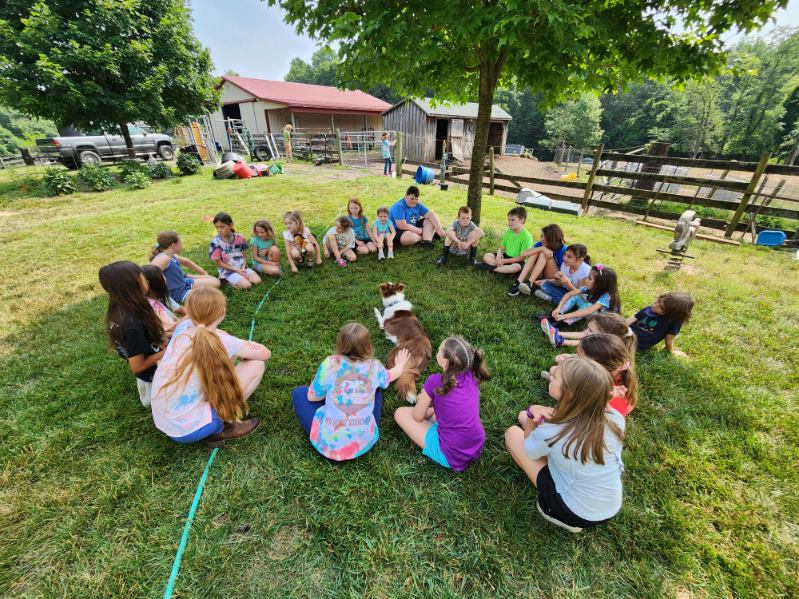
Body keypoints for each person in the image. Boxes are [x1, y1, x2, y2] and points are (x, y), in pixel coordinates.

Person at [504, 357, 625, 532]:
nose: (552, 373)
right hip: (609, 507)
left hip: (573, 510)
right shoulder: (616, 419)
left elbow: (529, 449)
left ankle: (553, 513)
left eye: (556, 376)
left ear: (569, 394)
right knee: (523, 418)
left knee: (513, 435)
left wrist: (531, 415)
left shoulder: (554, 432)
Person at [150, 287, 270, 447]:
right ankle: (225, 425)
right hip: (192, 429)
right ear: (222, 312)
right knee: (256, 364)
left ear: (190, 312)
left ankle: (215, 416)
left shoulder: (181, 328)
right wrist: (247, 345)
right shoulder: (222, 341)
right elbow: (265, 353)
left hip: (168, 422)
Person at [291, 322, 411, 461]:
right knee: (377, 387)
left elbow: (312, 397)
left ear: (340, 343)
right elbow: (391, 376)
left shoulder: (330, 364)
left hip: (329, 444)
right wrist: (400, 365)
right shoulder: (374, 367)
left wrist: (318, 384)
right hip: (363, 441)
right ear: (367, 346)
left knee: (299, 392)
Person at [394, 337, 491, 471]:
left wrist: (424, 399)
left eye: (439, 350)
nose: (437, 351)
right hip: (475, 444)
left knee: (400, 413)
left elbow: (417, 417)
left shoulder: (434, 381)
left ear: (445, 362)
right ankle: (432, 412)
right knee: (437, 414)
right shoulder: (471, 374)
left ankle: (431, 414)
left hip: (452, 455)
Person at [99, 261, 165, 407]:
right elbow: (138, 366)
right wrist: (169, 350)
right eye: (142, 276)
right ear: (135, 283)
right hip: (154, 378)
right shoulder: (131, 324)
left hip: (156, 360)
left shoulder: (124, 308)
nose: (146, 279)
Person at [540, 264, 619, 333]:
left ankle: (562, 323)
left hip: (601, 321)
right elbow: (569, 294)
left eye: (589, 278)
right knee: (576, 296)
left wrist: (564, 316)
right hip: (591, 312)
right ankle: (555, 316)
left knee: (587, 306)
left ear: (600, 284)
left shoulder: (607, 296)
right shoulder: (591, 287)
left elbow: (589, 310)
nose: (586, 280)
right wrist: (558, 308)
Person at [150, 230, 219, 304]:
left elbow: (186, 262)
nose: (182, 244)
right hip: (176, 294)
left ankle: (188, 278)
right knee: (209, 299)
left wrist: (203, 272)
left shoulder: (171, 255)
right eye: (180, 242)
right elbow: (150, 273)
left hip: (183, 283)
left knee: (215, 281)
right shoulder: (163, 258)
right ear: (173, 245)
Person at [628, 292, 694, 356]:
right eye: (659, 301)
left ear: (671, 314)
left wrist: (669, 350)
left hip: (634, 344)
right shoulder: (647, 309)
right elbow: (628, 321)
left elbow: (669, 339)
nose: (655, 306)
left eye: (661, 308)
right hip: (626, 332)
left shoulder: (673, 322)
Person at [508, 224, 567, 296]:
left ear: (553, 238)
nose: (542, 239)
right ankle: (518, 282)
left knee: (542, 253)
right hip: (540, 274)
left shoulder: (563, 249)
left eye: (545, 237)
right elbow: (523, 254)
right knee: (535, 251)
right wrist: (542, 248)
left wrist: (543, 250)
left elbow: (565, 272)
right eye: (542, 236)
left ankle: (530, 282)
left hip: (555, 278)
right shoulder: (542, 244)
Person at [209, 212, 261, 289]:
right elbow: (219, 263)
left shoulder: (240, 238)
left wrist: (243, 268)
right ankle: (226, 280)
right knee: (247, 286)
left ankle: (239, 278)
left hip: (242, 267)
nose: (219, 230)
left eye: (222, 227)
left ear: (230, 225)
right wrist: (237, 270)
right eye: (217, 227)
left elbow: (243, 255)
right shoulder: (215, 242)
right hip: (228, 271)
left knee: (257, 281)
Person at [477, 206, 534, 274]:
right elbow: (501, 248)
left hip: (518, 261)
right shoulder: (508, 232)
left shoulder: (527, 236)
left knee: (515, 268)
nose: (509, 222)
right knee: (487, 256)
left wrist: (504, 261)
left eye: (512, 220)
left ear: (521, 220)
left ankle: (489, 267)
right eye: (508, 220)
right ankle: (499, 268)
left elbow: (521, 258)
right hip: (506, 256)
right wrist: (498, 258)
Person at [525, 243, 591, 302]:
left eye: (569, 257)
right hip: (565, 290)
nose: (564, 258)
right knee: (545, 284)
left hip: (578, 296)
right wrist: (552, 280)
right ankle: (555, 297)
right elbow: (559, 284)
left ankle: (551, 298)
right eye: (565, 254)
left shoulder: (585, 272)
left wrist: (568, 284)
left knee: (571, 299)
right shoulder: (565, 265)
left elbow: (580, 295)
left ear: (580, 259)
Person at [546, 311, 637, 351]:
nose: (586, 331)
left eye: (590, 329)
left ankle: (561, 342)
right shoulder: (604, 337)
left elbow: (582, 343)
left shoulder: (606, 349)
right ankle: (556, 332)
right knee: (585, 335)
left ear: (605, 335)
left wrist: (564, 342)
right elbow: (583, 333)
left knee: (586, 340)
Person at [142, 264, 186, 334]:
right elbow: (172, 328)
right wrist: (191, 315)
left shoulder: (161, 296)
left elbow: (180, 309)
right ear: (158, 282)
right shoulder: (152, 306)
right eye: (163, 275)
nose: (166, 278)